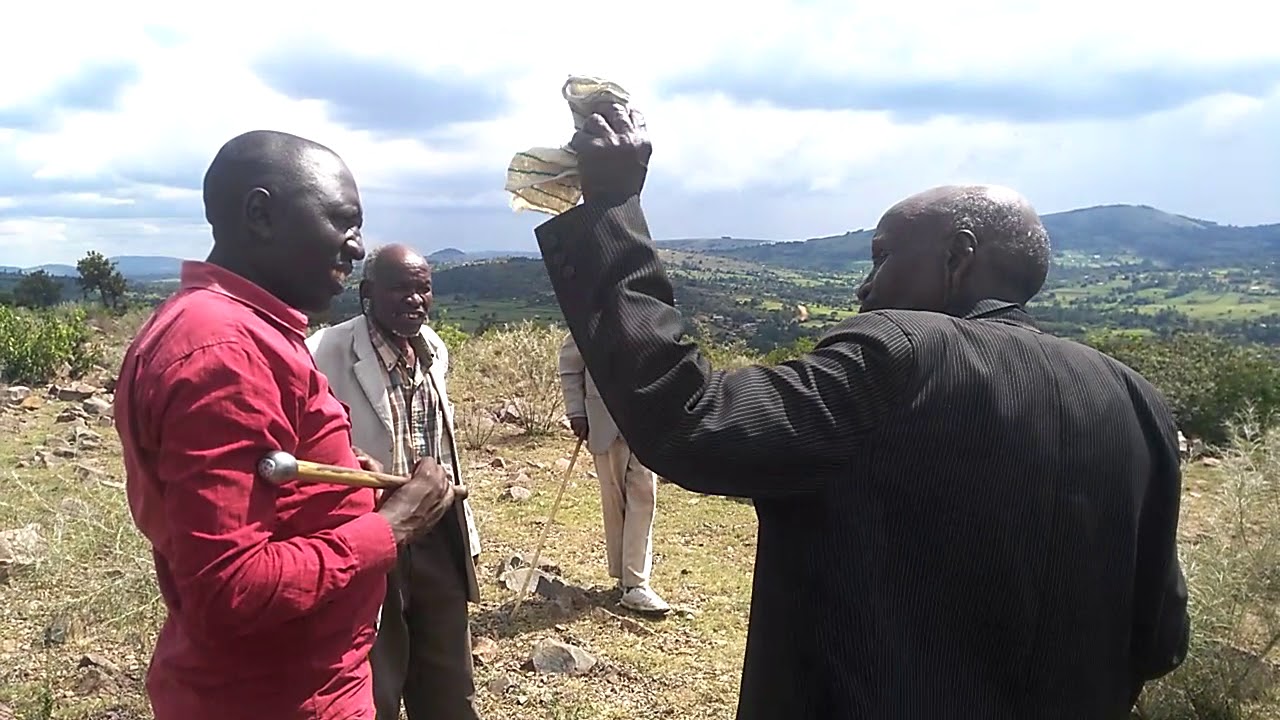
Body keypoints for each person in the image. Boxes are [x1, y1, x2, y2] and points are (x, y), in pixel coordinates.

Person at [530, 105, 1190, 719]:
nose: (865, 286)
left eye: (881, 258)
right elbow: (1160, 641)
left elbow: (690, 419)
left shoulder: (900, 357)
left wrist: (612, 210)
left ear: (957, 259)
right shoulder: (1139, 404)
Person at [113, 130, 463, 720]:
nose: (355, 249)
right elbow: (230, 588)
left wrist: (341, 477)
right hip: (283, 695)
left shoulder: (239, 330)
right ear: (260, 214)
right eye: (343, 223)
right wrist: (391, 527)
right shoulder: (224, 351)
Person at [306, 244, 482, 720]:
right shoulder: (324, 350)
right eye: (400, 289)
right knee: (376, 677)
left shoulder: (433, 349)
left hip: (438, 530)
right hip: (373, 531)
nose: (415, 300)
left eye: (423, 288)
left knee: (448, 676)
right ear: (367, 294)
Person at [558, 332, 670, 614]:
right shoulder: (587, 318)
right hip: (603, 423)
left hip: (644, 425)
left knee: (644, 497)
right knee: (615, 501)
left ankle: (635, 584)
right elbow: (570, 367)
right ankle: (624, 576)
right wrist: (576, 413)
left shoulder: (646, 312)